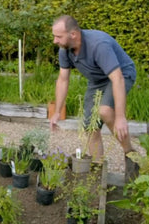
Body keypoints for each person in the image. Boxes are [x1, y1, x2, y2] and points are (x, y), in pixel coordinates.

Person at [49, 15, 138, 182]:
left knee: (104, 111)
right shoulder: (65, 50)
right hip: (97, 80)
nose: (55, 41)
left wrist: (120, 117)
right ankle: (97, 172)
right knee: (89, 127)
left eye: (58, 36)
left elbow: (117, 78)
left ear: (73, 34)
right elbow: (63, 79)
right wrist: (57, 111)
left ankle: (130, 155)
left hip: (122, 74)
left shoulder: (98, 45)